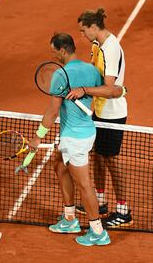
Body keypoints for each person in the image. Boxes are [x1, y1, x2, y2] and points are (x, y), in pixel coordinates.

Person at [27, 33, 111, 246]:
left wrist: (37, 138)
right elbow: (101, 91)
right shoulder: (91, 71)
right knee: (59, 166)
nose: (53, 55)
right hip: (86, 131)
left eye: (54, 51)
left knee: (85, 186)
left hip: (74, 138)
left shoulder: (60, 75)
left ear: (63, 51)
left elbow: (53, 112)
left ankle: (98, 231)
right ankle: (69, 218)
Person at [66, 8, 133, 228]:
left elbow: (109, 87)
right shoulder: (97, 46)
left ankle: (123, 211)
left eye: (83, 31)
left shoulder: (111, 49)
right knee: (98, 156)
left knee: (112, 160)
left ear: (94, 27)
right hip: (100, 112)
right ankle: (100, 202)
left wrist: (84, 90)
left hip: (113, 115)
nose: (82, 36)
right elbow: (96, 75)